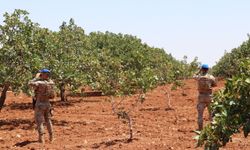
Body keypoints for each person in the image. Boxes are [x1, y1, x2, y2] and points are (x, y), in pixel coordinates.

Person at [28, 69, 55, 143]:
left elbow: (29, 83)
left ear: (42, 74)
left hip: (40, 104)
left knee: (39, 122)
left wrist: (36, 77)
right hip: (47, 104)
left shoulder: (39, 83)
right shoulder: (51, 83)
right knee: (48, 120)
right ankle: (51, 137)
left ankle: (41, 139)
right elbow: (52, 95)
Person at [193, 64, 217, 130]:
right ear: (208, 69)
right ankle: (213, 128)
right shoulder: (211, 77)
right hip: (209, 96)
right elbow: (215, 85)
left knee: (200, 115)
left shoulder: (199, 77)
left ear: (202, 69)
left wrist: (199, 71)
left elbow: (193, 76)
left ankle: (200, 129)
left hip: (201, 97)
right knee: (212, 114)